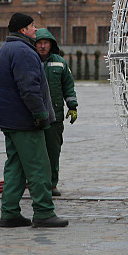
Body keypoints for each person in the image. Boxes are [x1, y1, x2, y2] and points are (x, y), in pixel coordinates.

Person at [0, 12, 68, 228]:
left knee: (15, 167)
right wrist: (40, 114)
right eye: (32, 26)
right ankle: (44, 212)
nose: (36, 30)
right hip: (26, 121)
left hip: (11, 121)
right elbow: (29, 89)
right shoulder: (23, 51)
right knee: (39, 166)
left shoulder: (6, 49)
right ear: (23, 30)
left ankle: (9, 213)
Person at [34, 28, 78, 196]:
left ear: (51, 44)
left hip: (55, 116)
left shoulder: (60, 62)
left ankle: (52, 184)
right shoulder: (30, 60)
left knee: (53, 151)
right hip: (34, 116)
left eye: (45, 43)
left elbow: (68, 86)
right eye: (39, 43)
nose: (42, 46)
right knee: (35, 153)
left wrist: (72, 106)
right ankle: (36, 184)